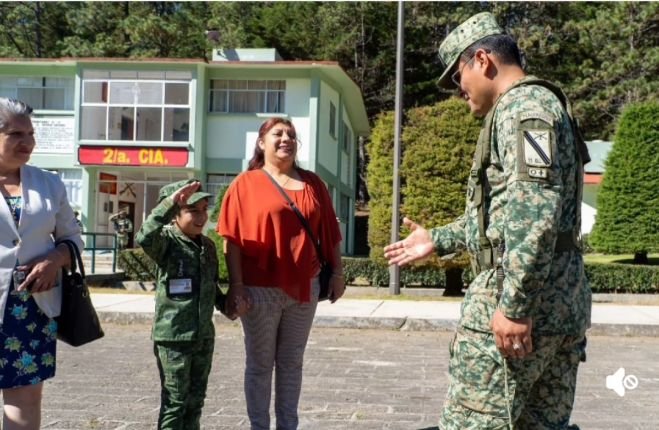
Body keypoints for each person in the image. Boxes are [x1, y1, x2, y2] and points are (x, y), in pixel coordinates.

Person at [384, 12, 591, 430]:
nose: (459, 91)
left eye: (457, 75)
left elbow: (535, 213)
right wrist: (437, 238)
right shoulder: (536, 108)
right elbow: (506, 215)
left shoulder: (524, 108)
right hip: (560, 304)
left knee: (473, 423)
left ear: (482, 60)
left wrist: (514, 306)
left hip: (524, 307)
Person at [217, 117, 345, 430]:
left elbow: (329, 232)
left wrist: (338, 272)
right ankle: (259, 426)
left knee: (291, 363)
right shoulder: (244, 184)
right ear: (262, 143)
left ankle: (288, 425)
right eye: (278, 133)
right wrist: (237, 286)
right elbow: (230, 241)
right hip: (259, 290)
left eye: (291, 134)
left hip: (306, 288)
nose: (286, 138)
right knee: (260, 364)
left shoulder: (313, 183)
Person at [136, 178, 246, 430]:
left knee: (195, 401)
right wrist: (171, 203)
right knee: (175, 402)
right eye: (192, 210)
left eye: (204, 209)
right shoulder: (166, 242)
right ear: (175, 214)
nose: (201, 217)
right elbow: (144, 236)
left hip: (202, 336)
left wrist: (227, 304)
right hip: (174, 338)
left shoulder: (207, 246)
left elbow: (211, 286)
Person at [0, 97, 83, 429]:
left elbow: (72, 239)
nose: (28, 142)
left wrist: (55, 258)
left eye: (31, 134)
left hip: (31, 311)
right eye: (16, 134)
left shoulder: (49, 183)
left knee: (25, 401)